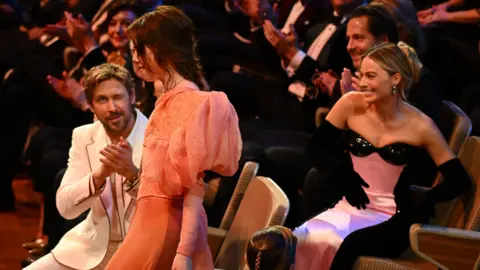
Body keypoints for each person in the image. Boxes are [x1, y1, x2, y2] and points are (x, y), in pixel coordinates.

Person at [293, 43, 471, 270]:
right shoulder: (350, 104)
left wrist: (426, 201)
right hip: (351, 205)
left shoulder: (421, 125)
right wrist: (343, 174)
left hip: (395, 217)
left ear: (395, 79)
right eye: (361, 75)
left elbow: (459, 180)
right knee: (303, 236)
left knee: (347, 245)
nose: (363, 83)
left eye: (371, 76)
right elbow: (314, 150)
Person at [105, 6, 242, 269]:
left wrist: (184, 252)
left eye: (139, 49)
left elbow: (192, 190)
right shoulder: (165, 101)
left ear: (161, 49)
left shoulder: (196, 104)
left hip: (169, 231)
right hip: (150, 224)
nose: (135, 58)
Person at [24, 63, 148, 269]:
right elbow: (66, 208)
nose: (112, 108)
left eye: (118, 97)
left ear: (132, 97)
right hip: (91, 245)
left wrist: (132, 175)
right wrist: (98, 176)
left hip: (142, 250)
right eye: (102, 99)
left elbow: (170, 206)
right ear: (90, 105)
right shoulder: (84, 136)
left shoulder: (156, 135)